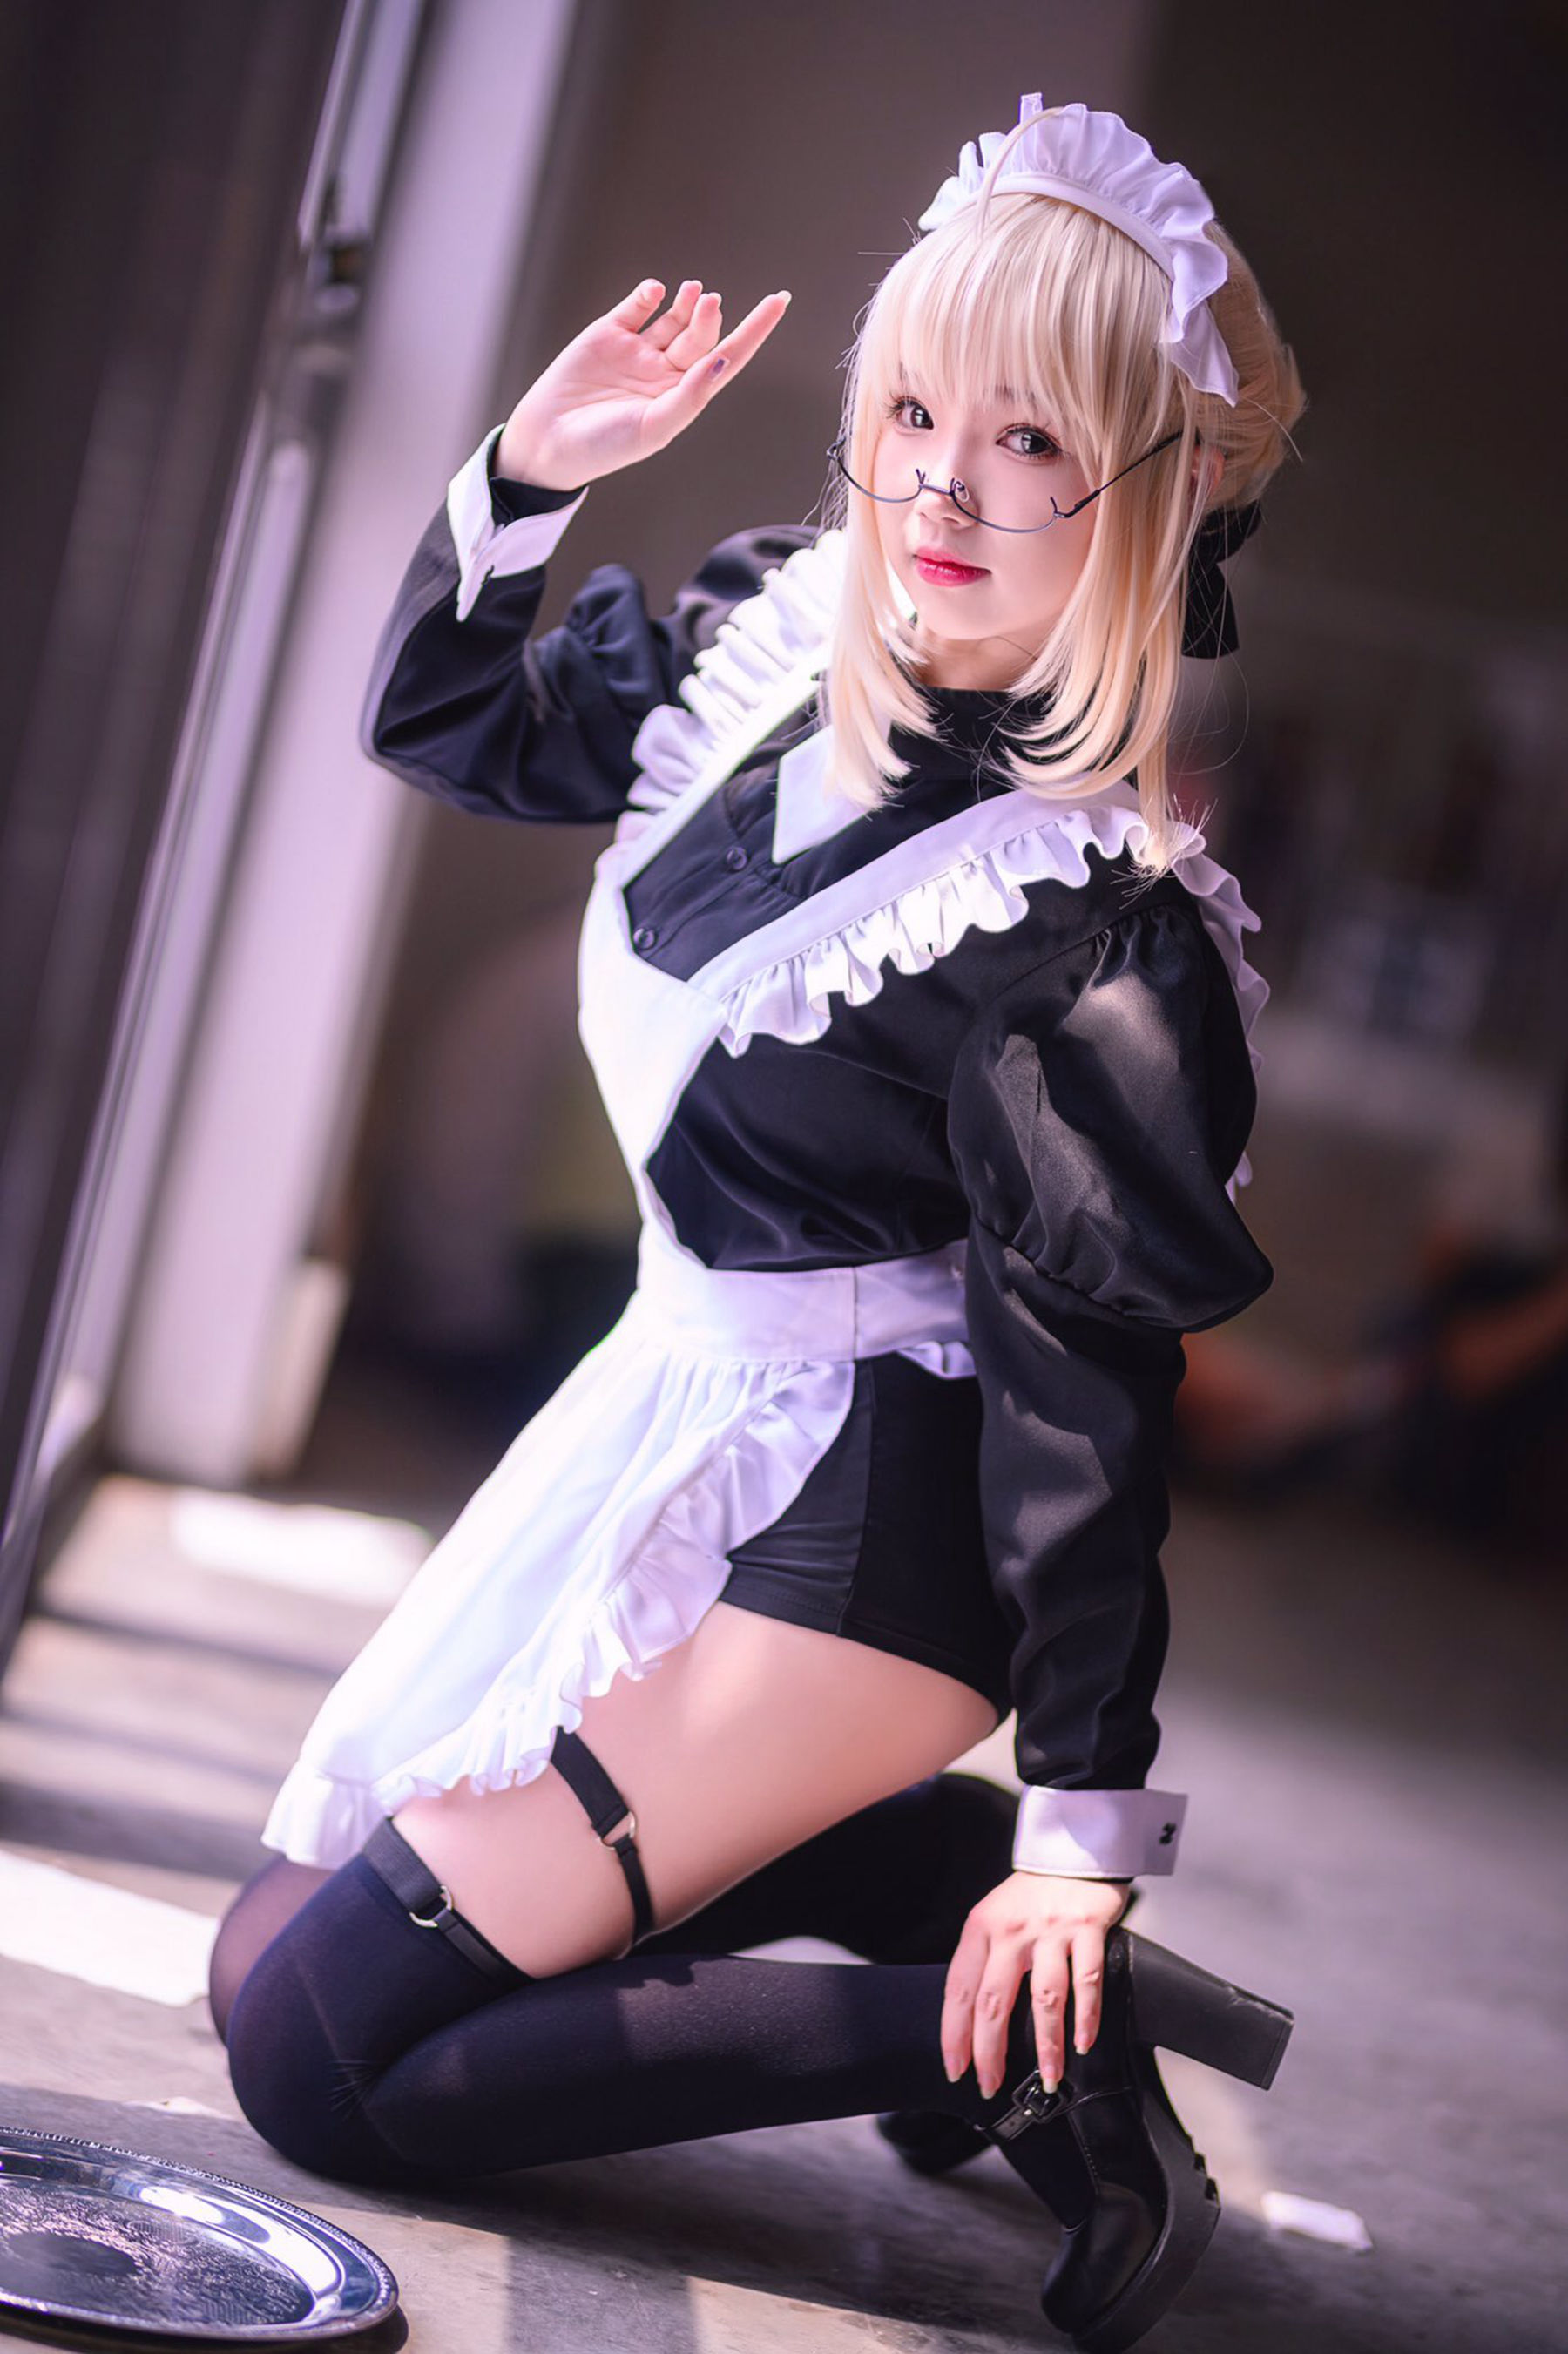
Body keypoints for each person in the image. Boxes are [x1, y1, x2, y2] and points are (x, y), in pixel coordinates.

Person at [214, 98, 1306, 2352]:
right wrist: (532, 470)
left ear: (1155, 492)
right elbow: (447, 726)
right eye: (912, 413)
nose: (938, 490)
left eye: (1028, 442)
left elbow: (1088, 1403)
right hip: (696, 1410)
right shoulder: (777, 645)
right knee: (263, 1965)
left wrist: (1085, 1830)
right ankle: (918, 1887)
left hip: (872, 1542)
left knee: (321, 2062)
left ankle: (1032, 2026)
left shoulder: (1097, 929)